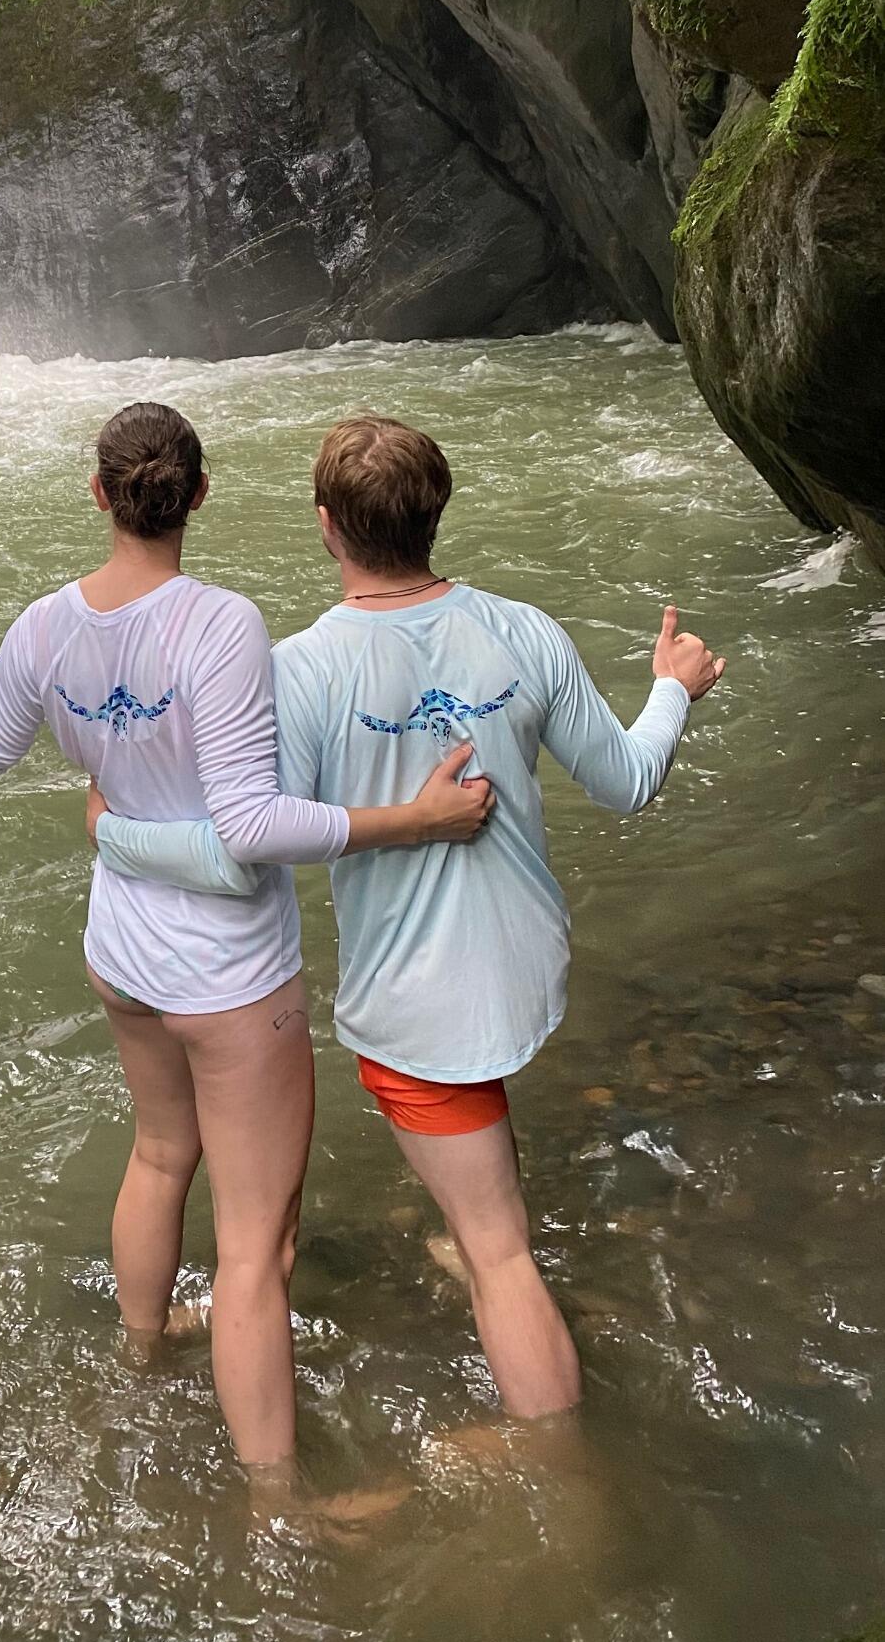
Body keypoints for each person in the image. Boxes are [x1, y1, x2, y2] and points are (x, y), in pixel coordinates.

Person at [0, 402, 494, 1484]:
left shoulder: (48, 628)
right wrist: (416, 819)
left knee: (161, 1157)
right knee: (252, 1251)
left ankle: (141, 1354)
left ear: (101, 494)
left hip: (123, 954)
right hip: (229, 975)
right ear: (199, 496)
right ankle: (273, 1503)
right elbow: (252, 827)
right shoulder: (220, 623)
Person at [89, 413, 725, 1424]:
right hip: (523, 969)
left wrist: (117, 828)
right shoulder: (525, 631)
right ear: (436, 515)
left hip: (426, 1010)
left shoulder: (296, 673)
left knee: (500, 1250)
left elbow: (233, 850)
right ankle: (462, 1205)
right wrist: (670, 687)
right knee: (477, 1192)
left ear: (327, 525)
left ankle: (557, 1471)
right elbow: (629, 781)